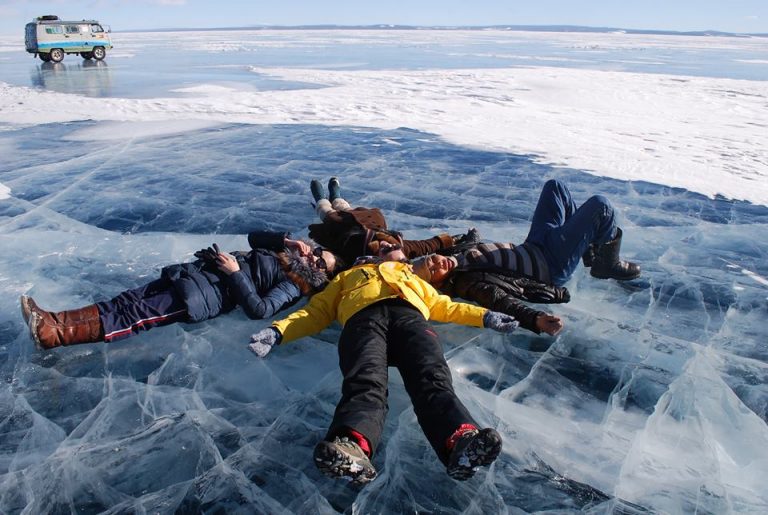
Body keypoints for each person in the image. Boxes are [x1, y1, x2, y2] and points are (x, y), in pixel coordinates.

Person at [247, 241, 519, 484]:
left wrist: (486, 316)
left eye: (390, 248)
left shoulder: (413, 278)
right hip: (362, 322)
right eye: (379, 249)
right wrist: (278, 331)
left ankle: (460, 442)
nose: (383, 250)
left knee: (432, 378)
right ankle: (352, 447)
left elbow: (446, 306)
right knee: (365, 382)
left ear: (403, 257)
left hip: (411, 319)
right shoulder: (346, 277)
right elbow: (316, 311)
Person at [20, 231, 339, 350]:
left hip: (201, 297)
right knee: (125, 300)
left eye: (321, 263)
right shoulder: (284, 253)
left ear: (321, 276)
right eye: (317, 251)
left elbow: (260, 310)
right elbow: (254, 238)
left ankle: (55, 335)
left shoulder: (295, 286)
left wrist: (236, 273)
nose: (314, 257)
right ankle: (54, 320)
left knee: (133, 316)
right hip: (193, 275)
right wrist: (284, 241)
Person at [411, 179, 640, 335]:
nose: (437, 262)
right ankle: (606, 262)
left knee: (555, 187)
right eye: (434, 270)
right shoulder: (467, 282)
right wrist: (535, 320)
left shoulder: (452, 256)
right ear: (439, 283)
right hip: (550, 265)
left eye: (432, 259)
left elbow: (415, 251)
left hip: (535, 243)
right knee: (600, 206)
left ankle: (587, 250)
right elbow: (499, 300)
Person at [307, 177, 480, 270]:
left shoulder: (354, 253)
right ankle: (336, 194)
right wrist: (456, 240)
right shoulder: (400, 246)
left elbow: (332, 262)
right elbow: (427, 245)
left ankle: (321, 197)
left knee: (327, 212)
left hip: (340, 229)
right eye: (393, 248)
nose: (388, 245)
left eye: (385, 250)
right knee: (345, 207)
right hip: (368, 221)